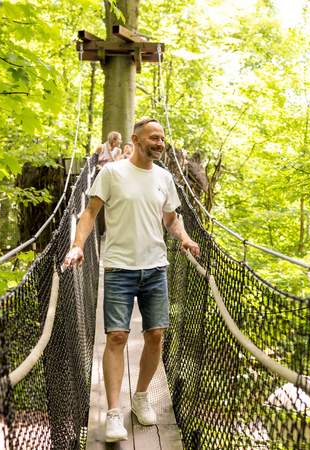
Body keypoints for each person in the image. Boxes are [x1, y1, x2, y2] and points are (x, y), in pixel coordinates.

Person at [62, 118, 200, 443]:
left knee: (155, 335)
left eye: (162, 137)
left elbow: (171, 218)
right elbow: (89, 213)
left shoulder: (165, 178)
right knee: (116, 338)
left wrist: (184, 237)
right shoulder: (111, 173)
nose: (160, 142)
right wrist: (77, 246)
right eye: (154, 137)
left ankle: (140, 398)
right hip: (119, 268)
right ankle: (113, 413)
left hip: (155, 269)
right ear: (136, 140)